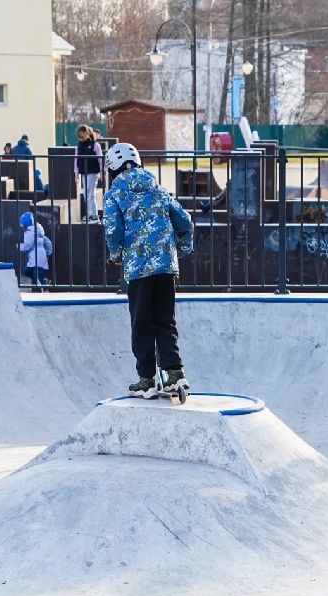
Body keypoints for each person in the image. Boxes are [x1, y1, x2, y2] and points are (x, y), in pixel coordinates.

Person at [102, 142, 194, 399]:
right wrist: (183, 247)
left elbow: (113, 229)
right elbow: (184, 221)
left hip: (139, 267)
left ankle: (147, 379)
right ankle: (175, 373)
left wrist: (116, 253)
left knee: (141, 322)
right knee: (165, 319)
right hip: (166, 266)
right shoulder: (159, 189)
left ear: (112, 168)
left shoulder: (115, 194)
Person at [17, 209, 51, 292]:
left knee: (37, 276)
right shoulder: (38, 231)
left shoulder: (29, 233)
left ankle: (44, 289)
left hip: (37, 259)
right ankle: (41, 285)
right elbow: (48, 242)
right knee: (27, 272)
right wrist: (48, 252)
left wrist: (18, 246)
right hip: (38, 257)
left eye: (22, 226)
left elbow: (27, 246)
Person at [75, 125, 104, 221]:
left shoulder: (95, 145)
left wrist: (102, 172)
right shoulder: (79, 146)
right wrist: (76, 173)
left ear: (87, 134)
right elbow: (76, 160)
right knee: (86, 194)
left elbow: (100, 159)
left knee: (90, 193)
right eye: (79, 136)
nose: (80, 138)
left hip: (93, 171)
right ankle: (89, 214)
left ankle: (93, 214)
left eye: (82, 136)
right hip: (84, 172)